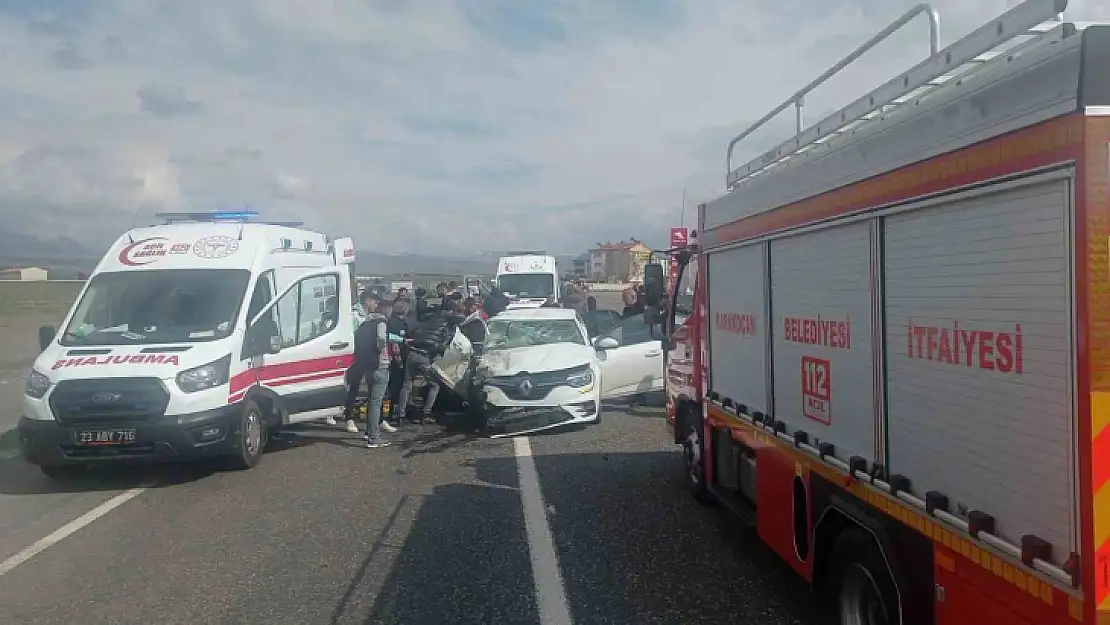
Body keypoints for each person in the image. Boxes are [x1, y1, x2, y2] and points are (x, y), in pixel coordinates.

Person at [339, 293, 392, 447]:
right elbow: (381, 339)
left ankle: (370, 432)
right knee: (375, 401)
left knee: (371, 400)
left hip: (366, 363)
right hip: (378, 364)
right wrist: (380, 350)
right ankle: (373, 436)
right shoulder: (379, 321)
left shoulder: (367, 322)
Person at [395, 298, 456, 424]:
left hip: (412, 353)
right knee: (435, 384)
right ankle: (426, 413)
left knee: (407, 385)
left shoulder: (429, 318)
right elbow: (440, 344)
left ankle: (400, 415)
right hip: (425, 357)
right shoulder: (447, 324)